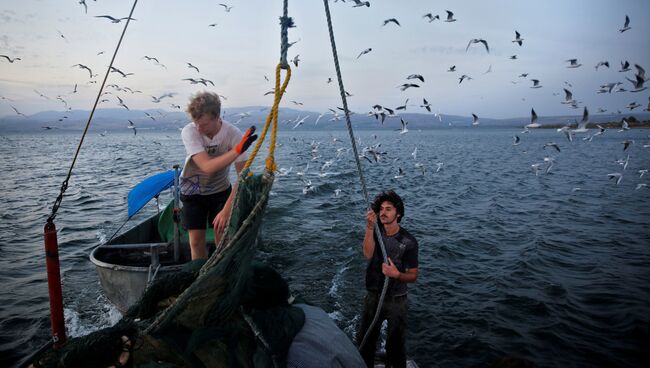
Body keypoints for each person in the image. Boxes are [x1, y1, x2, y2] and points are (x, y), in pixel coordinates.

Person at [179, 91, 257, 260]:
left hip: (220, 189)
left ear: (217, 117)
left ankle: (220, 272)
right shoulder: (189, 131)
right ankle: (200, 274)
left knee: (222, 236)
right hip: (192, 190)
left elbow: (243, 178)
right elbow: (207, 167)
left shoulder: (233, 134)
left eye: (205, 124)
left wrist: (226, 210)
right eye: (196, 123)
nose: (199, 128)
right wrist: (236, 151)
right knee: (196, 241)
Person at [357, 190, 419, 368]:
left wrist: (397, 275)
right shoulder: (375, 232)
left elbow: (413, 275)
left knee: (396, 345)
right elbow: (367, 254)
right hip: (373, 296)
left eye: (388, 209)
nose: (383, 213)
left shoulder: (409, 242)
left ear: (398, 213)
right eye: (381, 209)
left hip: (397, 300)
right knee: (365, 340)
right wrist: (369, 228)